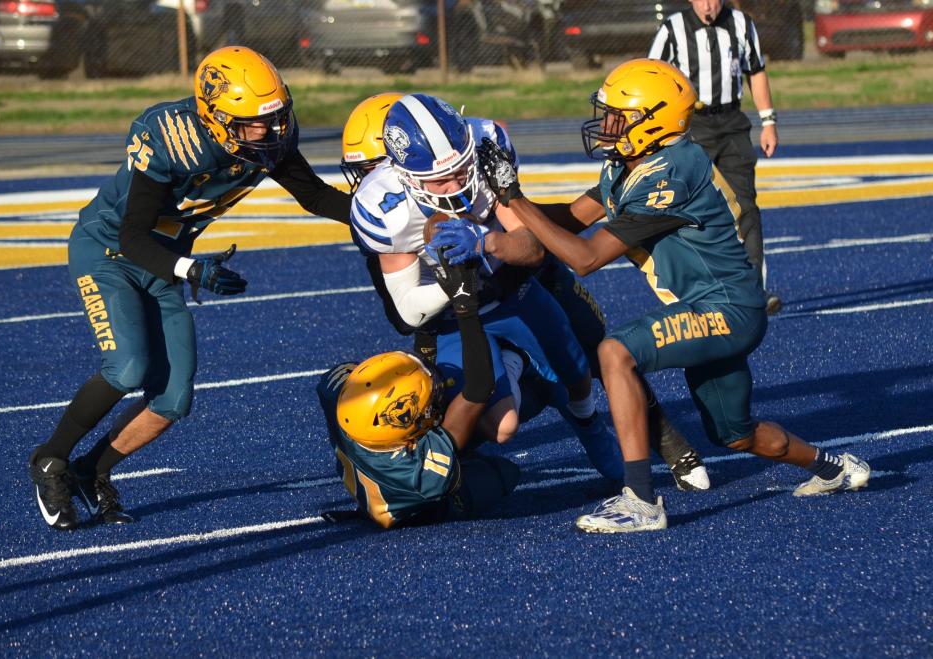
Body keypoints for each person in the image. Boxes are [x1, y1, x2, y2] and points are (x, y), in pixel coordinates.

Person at [475, 58, 870, 533]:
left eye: (617, 116)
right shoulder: (633, 164)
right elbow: (568, 219)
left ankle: (641, 501)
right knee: (735, 434)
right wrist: (496, 198)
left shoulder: (670, 174)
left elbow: (584, 257)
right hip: (711, 306)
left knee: (614, 351)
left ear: (653, 121)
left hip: (726, 308)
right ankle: (835, 468)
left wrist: (514, 196)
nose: (605, 126)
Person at [28, 46, 354, 531]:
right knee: (128, 367)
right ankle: (51, 459)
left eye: (273, 118)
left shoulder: (266, 140)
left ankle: (90, 470)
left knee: (172, 399)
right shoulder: (169, 138)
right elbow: (132, 236)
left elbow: (315, 195)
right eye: (250, 123)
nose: (266, 132)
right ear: (215, 118)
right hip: (110, 253)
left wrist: (381, 220)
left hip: (168, 260)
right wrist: (192, 271)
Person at [347, 91, 709, 491]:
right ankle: (475, 428)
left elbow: (533, 247)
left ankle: (617, 433)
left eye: (461, 167)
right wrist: (456, 289)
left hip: (518, 286)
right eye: (441, 178)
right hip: (455, 319)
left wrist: (486, 242)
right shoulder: (384, 209)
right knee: (499, 422)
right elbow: (408, 313)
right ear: (404, 175)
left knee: (583, 359)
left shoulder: (485, 149)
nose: (457, 182)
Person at [317, 251, 520, 528]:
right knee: (505, 474)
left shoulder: (339, 394)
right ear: (406, 438)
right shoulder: (422, 476)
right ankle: (519, 359)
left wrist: (426, 316)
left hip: (376, 465)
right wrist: (465, 308)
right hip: (414, 504)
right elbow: (479, 389)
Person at [649, 0, 781, 314]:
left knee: (745, 206)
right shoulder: (672, 29)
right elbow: (651, 75)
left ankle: (753, 292)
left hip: (733, 123)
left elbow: (756, 70)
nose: (709, 6)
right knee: (690, 209)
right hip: (692, 126)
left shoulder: (741, 24)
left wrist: (769, 121)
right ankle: (695, 291)